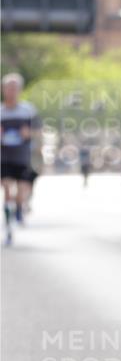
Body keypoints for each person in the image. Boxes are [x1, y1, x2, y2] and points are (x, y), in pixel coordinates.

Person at [1, 73, 41, 244]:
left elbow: (39, 132)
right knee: (8, 190)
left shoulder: (28, 110)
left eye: (14, 88)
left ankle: (19, 208)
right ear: (3, 90)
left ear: (20, 90)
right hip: (4, 157)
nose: (11, 91)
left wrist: (28, 133)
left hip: (23, 157)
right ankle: (8, 225)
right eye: (8, 88)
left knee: (22, 191)